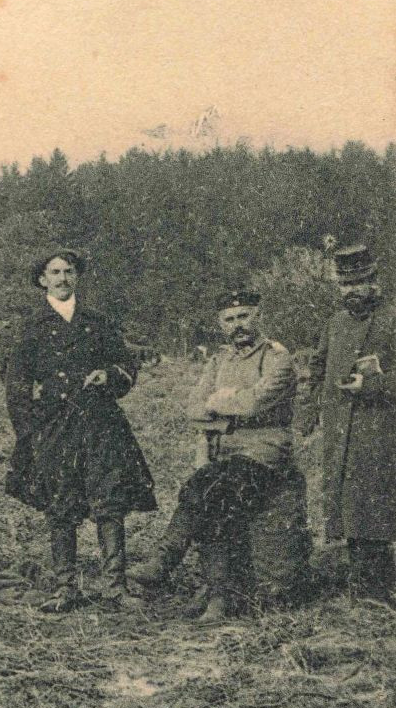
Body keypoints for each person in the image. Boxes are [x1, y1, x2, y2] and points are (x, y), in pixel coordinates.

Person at [5, 248, 156, 612]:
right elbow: (16, 386)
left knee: (110, 501)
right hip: (55, 426)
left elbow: (125, 365)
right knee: (60, 503)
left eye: (69, 271)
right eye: (54, 272)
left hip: (100, 423)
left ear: (77, 276)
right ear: (42, 279)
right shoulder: (29, 328)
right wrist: (32, 432)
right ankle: (65, 587)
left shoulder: (97, 322)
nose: (62, 279)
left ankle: (114, 587)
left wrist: (110, 376)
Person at [159, 291, 303, 620]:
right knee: (208, 490)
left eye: (244, 316)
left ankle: (177, 564)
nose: (238, 325)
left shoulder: (276, 357)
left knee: (213, 491)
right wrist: (226, 402)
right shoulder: (219, 360)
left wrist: (218, 403)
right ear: (220, 324)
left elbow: (256, 402)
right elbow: (194, 407)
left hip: (264, 449)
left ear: (258, 317)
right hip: (223, 451)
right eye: (230, 319)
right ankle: (216, 593)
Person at [303, 244, 396, 603]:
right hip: (341, 434)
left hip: (382, 433)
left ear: (375, 281)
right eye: (345, 284)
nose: (352, 290)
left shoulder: (392, 318)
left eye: (360, 282)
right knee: (350, 511)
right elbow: (316, 368)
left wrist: (373, 384)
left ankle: (377, 594)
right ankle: (363, 588)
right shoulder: (335, 323)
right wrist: (307, 413)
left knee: (376, 511)